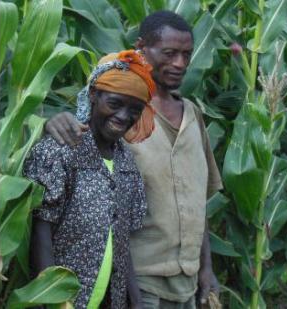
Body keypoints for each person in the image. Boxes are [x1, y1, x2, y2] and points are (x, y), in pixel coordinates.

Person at [44, 11, 222, 309]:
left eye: (186, 54)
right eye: (169, 53)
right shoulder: (119, 114)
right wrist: (50, 123)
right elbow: (71, 146)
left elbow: (197, 204)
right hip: (137, 281)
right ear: (141, 48)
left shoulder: (194, 116)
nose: (180, 63)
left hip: (188, 286)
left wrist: (206, 268)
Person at [24, 50, 156, 308]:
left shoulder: (127, 163)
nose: (123, 116)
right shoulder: (60, 150)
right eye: (115, 104)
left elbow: (121, 243)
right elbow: (41, 231)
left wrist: (136, 301)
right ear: (94, 95)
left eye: (134, 110)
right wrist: (50, 298)